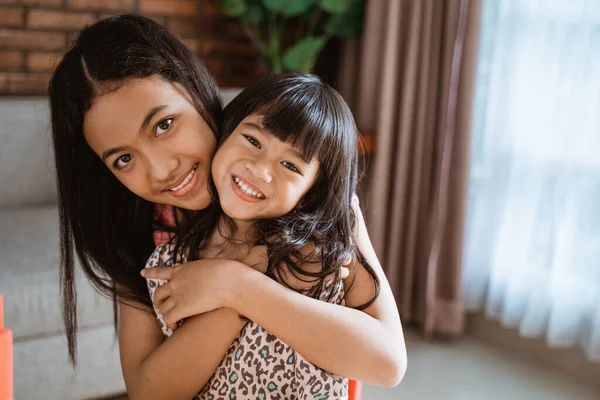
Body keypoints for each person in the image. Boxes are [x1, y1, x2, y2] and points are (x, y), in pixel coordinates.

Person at [49, 15, 406, 400]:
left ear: (195, 90)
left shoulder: (316, 206)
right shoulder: (140, 237)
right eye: (123, 159)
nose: (161, 170)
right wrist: (234, 291)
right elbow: (150, 393)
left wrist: (239, 286)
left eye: (164, 124)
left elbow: (386, 362)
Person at [142, 73, 402, 399]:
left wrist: (239, 284)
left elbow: (388, 365)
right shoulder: (172, 260)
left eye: (291, 166)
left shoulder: (324, 252)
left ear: (313, 191)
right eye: (253, 141)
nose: (261, 169)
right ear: (224, 134)